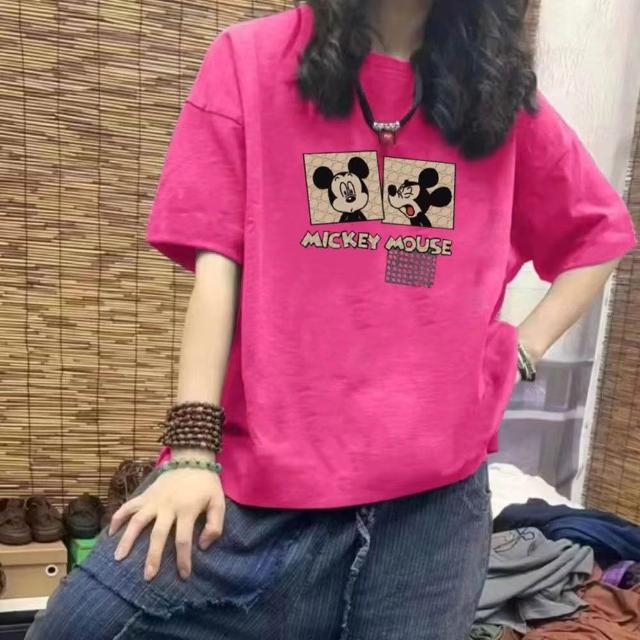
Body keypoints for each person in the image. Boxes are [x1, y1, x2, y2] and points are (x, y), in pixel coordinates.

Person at [27, 1, 637, 638]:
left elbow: (599, 234)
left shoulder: (498, 92)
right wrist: (190, 452)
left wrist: (523, 346)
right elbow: (217, 270)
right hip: (263, 493)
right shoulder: (250, 61)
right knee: (77, 627)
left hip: (431, 516)